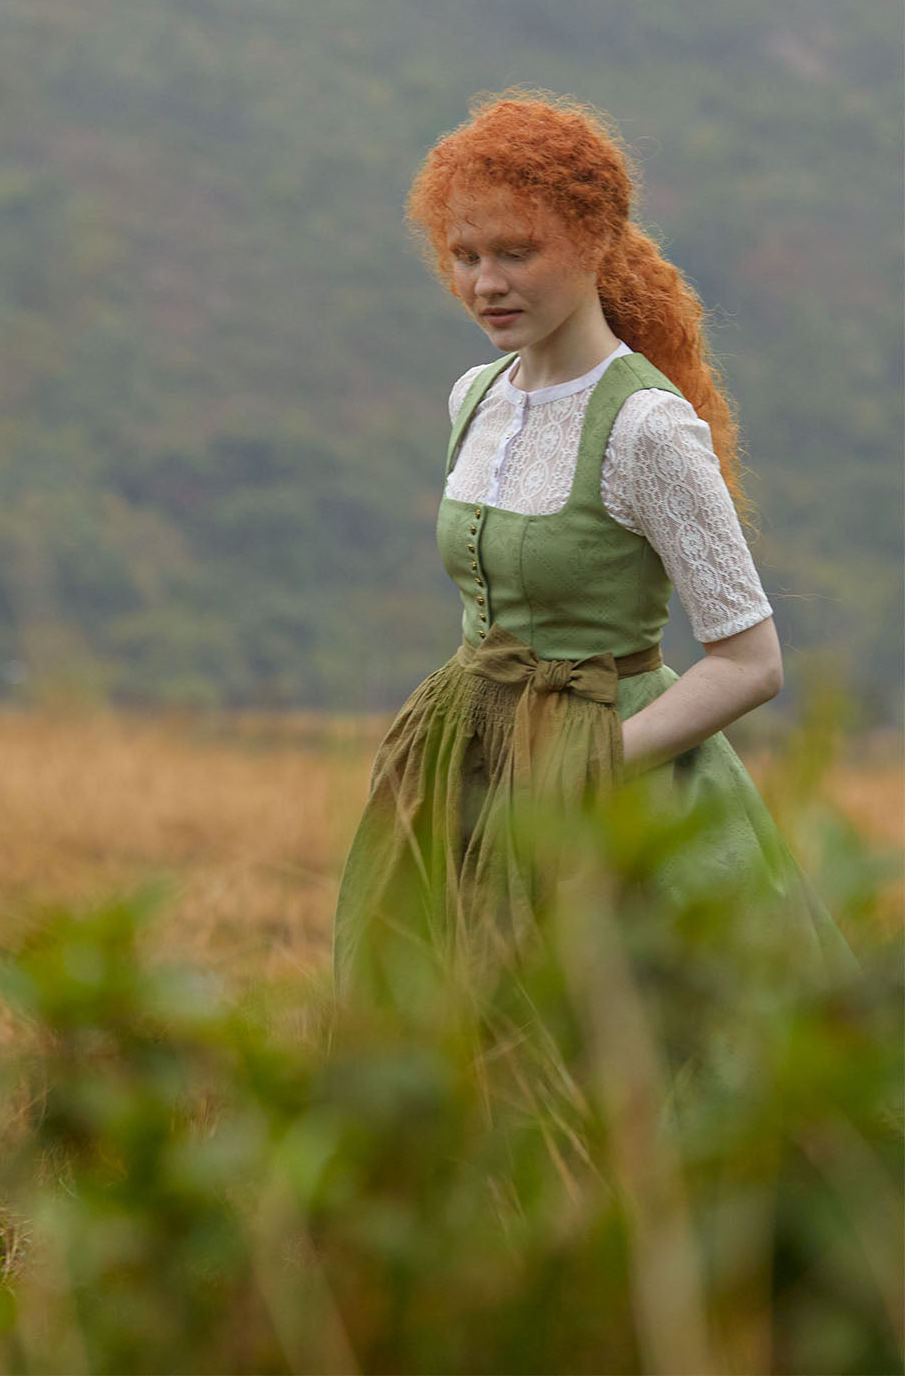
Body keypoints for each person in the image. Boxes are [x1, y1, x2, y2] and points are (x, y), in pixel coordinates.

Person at [333, 91, 821, 999]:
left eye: (517, 252)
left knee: (609, 1054)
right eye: (465, 255)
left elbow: (751, 662)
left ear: (595, 241)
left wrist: (588, 770)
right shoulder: (473, 396)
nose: (486, 283)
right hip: (464, 768)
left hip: (610, 777)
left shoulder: (647, 427)